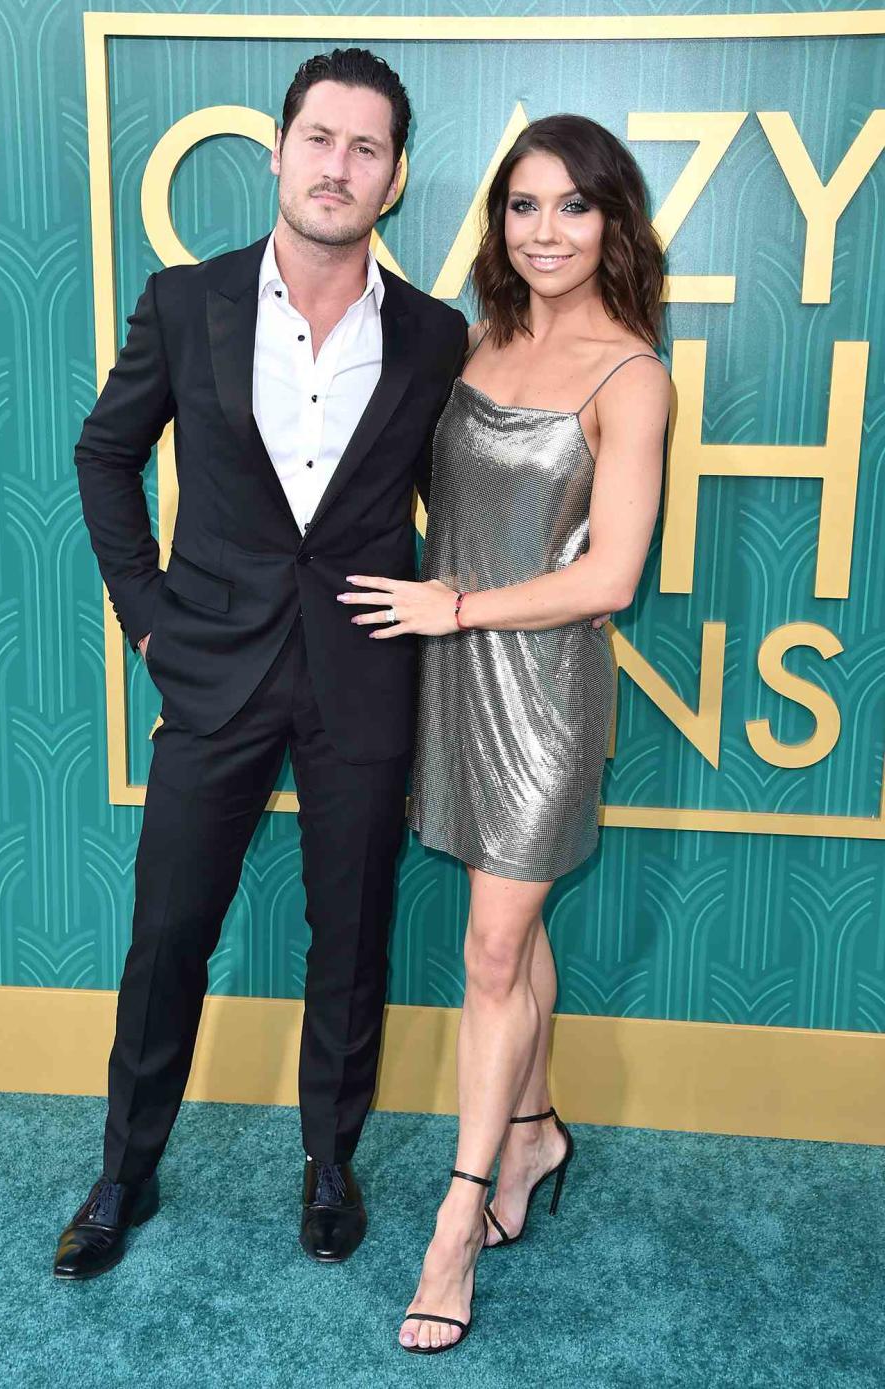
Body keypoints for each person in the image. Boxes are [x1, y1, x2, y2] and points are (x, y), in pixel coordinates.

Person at [55, 48, 466, 1280]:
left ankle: (328, 1163)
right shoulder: (186, 303)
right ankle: (125, 1170)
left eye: (367, 148)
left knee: (350, 935)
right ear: (279, 151)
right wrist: (144, 617)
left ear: (393, 180)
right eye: (320, 139)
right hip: (212, 669)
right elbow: (104, 455)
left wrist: (481, 598)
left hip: (364, 676)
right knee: (168, 931)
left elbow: (463, 497)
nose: (339, 166)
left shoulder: (437, 337)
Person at [337, 113, 670, 1351]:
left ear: (613, 223)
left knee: (489, 951)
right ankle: (534, 1135)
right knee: (509, 943)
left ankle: (458, 1218)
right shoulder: (478, 341)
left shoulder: (632, 376)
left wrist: (456, 606)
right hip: (451, 680)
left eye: (572, 208)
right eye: (523, 207)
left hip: (543, 694)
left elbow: (613, 579)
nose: (545, 232)